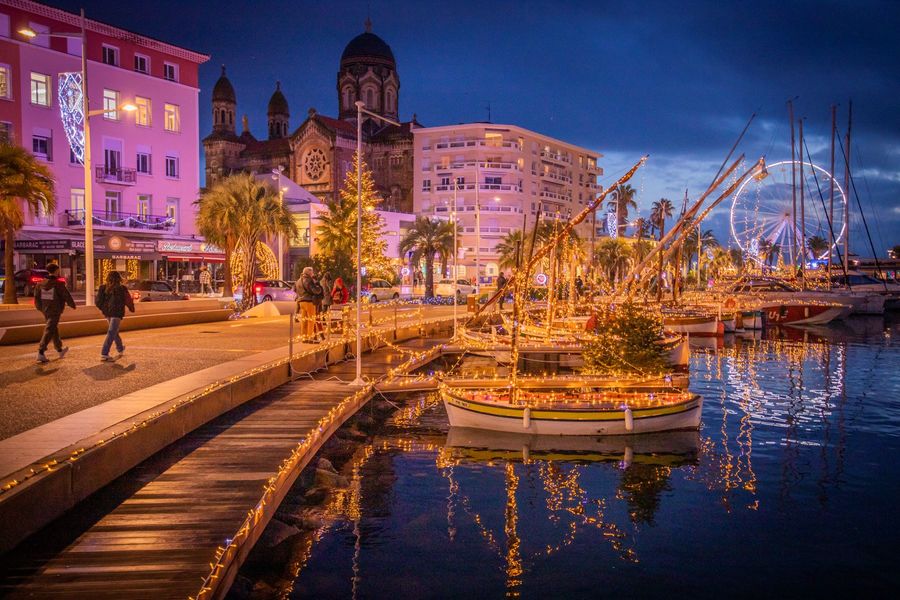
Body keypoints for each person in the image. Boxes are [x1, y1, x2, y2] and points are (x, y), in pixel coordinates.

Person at [34, 263, 76, 363]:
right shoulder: (58, 284)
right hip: (55, 310)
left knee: (53, 328)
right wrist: (72, 305)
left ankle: (59, 349)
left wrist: (41, 308)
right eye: (58, 270)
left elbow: (36, 298)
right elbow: (66, 296)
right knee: (49, 329)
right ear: (56, 271)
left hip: (45, 310)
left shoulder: (40, 284)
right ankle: (41, 351)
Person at [96, 271, 135, 361]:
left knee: (114, 331)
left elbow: (98, 301)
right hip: (117, 313)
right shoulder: (122, 288)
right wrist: (131, 308)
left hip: (108, 313)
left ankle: (120, 348)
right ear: (119, 278)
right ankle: (104, 353)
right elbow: (128, 300)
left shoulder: (103, 288)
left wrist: (104, 309)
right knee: (112, 331)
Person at [295, 267, 323, 343]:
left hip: (301, 302)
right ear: (309, 273)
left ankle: (304, 337)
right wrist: (318, 288)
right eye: (312, 272)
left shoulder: (298, 281)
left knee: (304, 321)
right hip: (309, 302)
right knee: (311, 320)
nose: (313, 274)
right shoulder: (308, 280)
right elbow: (315, 291)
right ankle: (310, 337)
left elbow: (295, 290)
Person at [318, 271, 333, 338]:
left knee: (324, 309)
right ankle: (326, 320)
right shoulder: (326, 281)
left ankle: (323, 320)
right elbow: (329, 289)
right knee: (327, 309)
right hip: (327, 297)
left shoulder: (321, 281)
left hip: (323, 297)